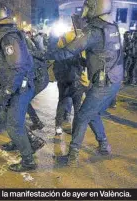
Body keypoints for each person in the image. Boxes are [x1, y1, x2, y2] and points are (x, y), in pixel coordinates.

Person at [47, 0, 123, 167]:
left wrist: (44, 55)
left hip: (104, 82)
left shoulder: (94, 31)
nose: (85, 10)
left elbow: (68, 50)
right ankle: (104, 146)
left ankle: (72, 157)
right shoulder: (111, 26)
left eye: (88, 7)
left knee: (81, 116)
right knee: (93, 113)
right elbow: (104, 53)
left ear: (96, 7)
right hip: (114, 79)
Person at [0, 2, 40, 172]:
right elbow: (4, 68)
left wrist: (6, 93)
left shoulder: (8, 37)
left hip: (19, 87)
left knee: (13, 124)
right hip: (13, 85)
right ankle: (21, 142)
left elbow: (17, 68)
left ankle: (28, 160)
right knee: (9, 118)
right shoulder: (3, 34)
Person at [54, 30, 89, 135]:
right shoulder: (82, 38)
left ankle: (58, 126)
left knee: (61, 103)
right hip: (76, 80)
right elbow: (85, 61)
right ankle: (76, 130)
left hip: (63, 79)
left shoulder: (63, 37)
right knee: (77, 106)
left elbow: (56, 53)